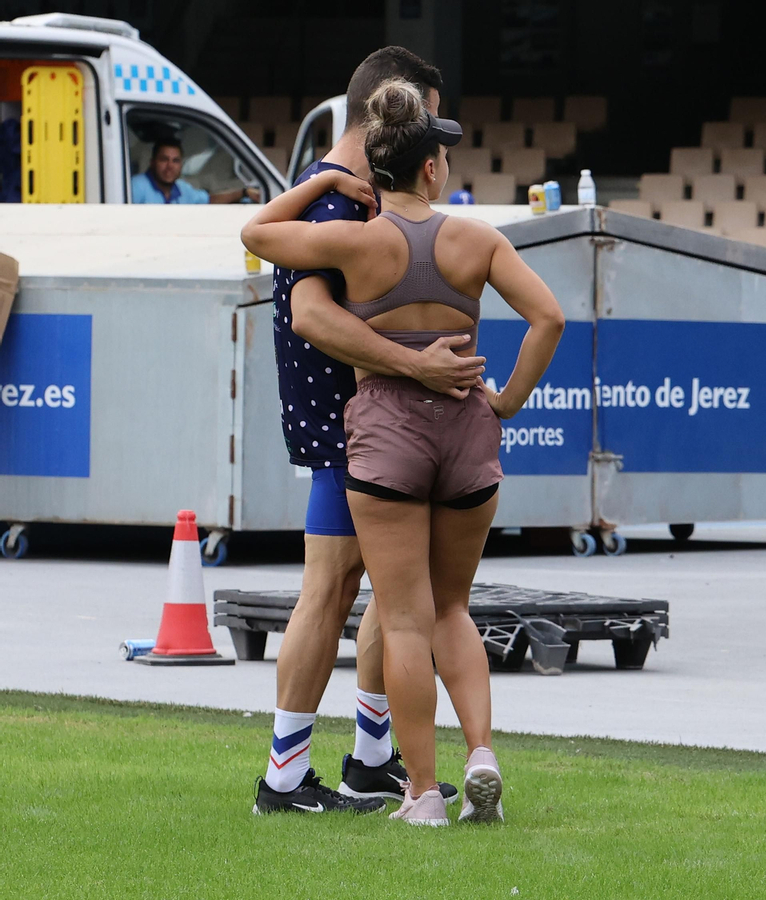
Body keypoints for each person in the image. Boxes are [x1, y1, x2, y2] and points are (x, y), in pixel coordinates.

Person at [243, 77, 566, 826]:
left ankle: (419, 792)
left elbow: (257, 236)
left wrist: (322, 180)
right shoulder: (478, 240)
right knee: (453, 608)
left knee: (405, 620)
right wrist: (507, 400)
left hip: (387, 438)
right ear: (431, 168)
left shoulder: (355, 240)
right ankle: (479, 753)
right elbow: (547, 317)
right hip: (465, 432)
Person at [253, 47, 485, 818]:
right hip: (344, 424)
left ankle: (373, 759)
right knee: (332, 588)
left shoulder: (361, 198)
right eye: (428, 121)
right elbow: (310, 315)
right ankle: (284, 777)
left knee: (393, 593)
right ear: (396, 107)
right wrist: (414, 369)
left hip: (376, 425)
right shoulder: (332, 202)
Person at [130, 138, 259, 204]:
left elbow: (209, 201)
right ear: (152, 162)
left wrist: (244, 193)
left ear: (181, 165)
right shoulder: (136, 187)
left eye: (175, 161)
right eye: (164, 159)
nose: (170, 166)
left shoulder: (181, 188)